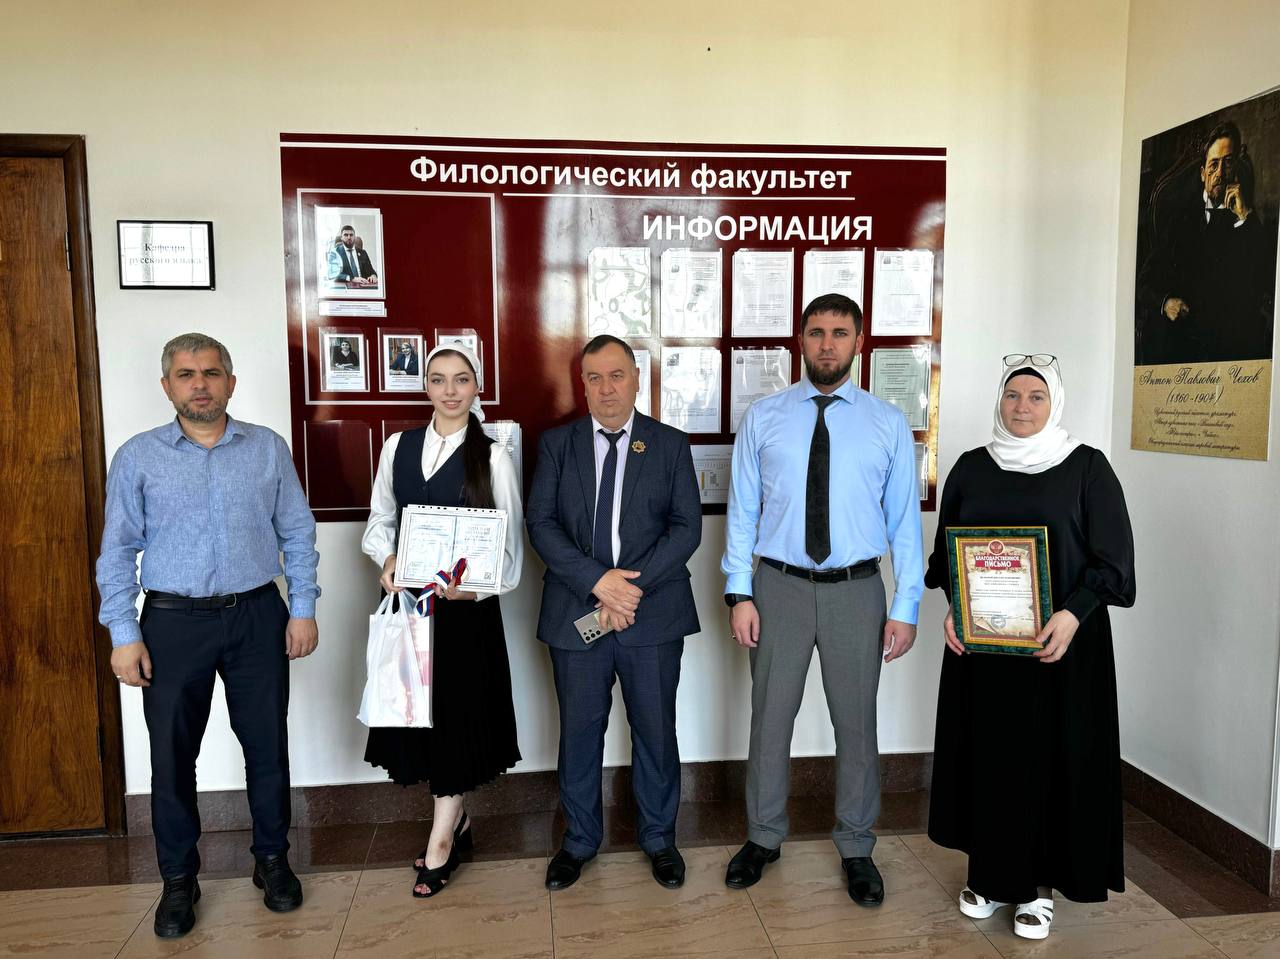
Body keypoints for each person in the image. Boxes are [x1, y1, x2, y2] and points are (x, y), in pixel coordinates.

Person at [95, 333, 320, 939]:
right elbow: (117, 550)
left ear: (231, 382)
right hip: (172, 623)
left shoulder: (267, 448)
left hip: (257, 615)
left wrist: (302, 607)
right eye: (187, 374)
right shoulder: (138, 457)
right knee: (172, 757)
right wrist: (123, 631)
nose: (200, 384)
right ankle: (178, 880)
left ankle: (271, 860)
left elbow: (297, 532)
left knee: (267, 746)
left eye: (212, 372)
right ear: (167, 386)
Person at [924, 354, 1135, 941]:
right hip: (986, 652)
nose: (1022, 407)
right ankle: (991, 878)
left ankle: (1038, 888)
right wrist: (955, 609)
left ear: (1054, 404)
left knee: (1049, 759)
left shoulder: (1086, 468)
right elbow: (947, 554)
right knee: (991, 758)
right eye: (1013, 395)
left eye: (1036, 397)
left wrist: (1073, 614)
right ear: (1000, 401)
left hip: (1059, 648)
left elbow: (1114, 562)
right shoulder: (972, 467)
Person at [722, 293, 923, 906]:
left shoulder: (887, 423)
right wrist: (739, 591)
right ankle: (763, 836)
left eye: (839, 332)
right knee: (769, 719)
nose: (827, 344)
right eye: (816, 332)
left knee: (856, 724)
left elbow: (905, 524)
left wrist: (906, 606)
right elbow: (742, 512)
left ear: (859, 341)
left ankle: (857, 845)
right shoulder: (765, 417)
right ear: (800, 341)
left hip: (856, 591)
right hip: (777, 588)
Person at [526, 334, 701, 891]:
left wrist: (629, 591)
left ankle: (660, 838)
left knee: (656, 730)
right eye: (595, 378)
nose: (606, 388)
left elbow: (686, 528)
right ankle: (579, 840)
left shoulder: (669, 445)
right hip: (576, 612)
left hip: (653, 614)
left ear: (637, 379)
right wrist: (598, 582)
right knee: (580, 732)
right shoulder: (558, 445)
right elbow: (541, 524)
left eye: (617, 375)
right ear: (582, 384)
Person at [361, 343, 523, 898]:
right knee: (421, 723)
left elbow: (510, 546)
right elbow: (381, 519)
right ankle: (460, 819)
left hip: (465, 616)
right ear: (425, 386)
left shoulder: (493, 457)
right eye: (438, 379)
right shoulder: (398, 447)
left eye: (461, 379)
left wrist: (473, 590)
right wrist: (387, 560)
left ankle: (441, 841)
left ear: (477, 387)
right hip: (411, 611)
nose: (450, 390)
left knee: (455, 723)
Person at [1136, 120, 1276, 364]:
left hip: (1229, 345)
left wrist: (1245, 216)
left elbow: (1267, 280)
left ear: (1236, 168)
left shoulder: (1246, 219)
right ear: (1203, 173)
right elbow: (1144, 282)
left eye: (1228, 162)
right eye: (1213, 164)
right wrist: (1165, 303)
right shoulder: (1179, 221)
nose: (1220, 173)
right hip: (1182, 343)